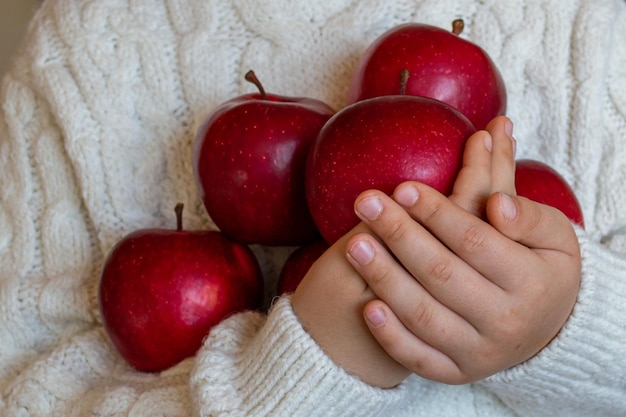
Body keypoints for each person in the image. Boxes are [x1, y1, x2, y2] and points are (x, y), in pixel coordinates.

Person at [0, 0, 624, 416]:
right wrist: (298, 376)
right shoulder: (90, 40)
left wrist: (566, 329)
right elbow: (22, 384)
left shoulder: (596, 29)